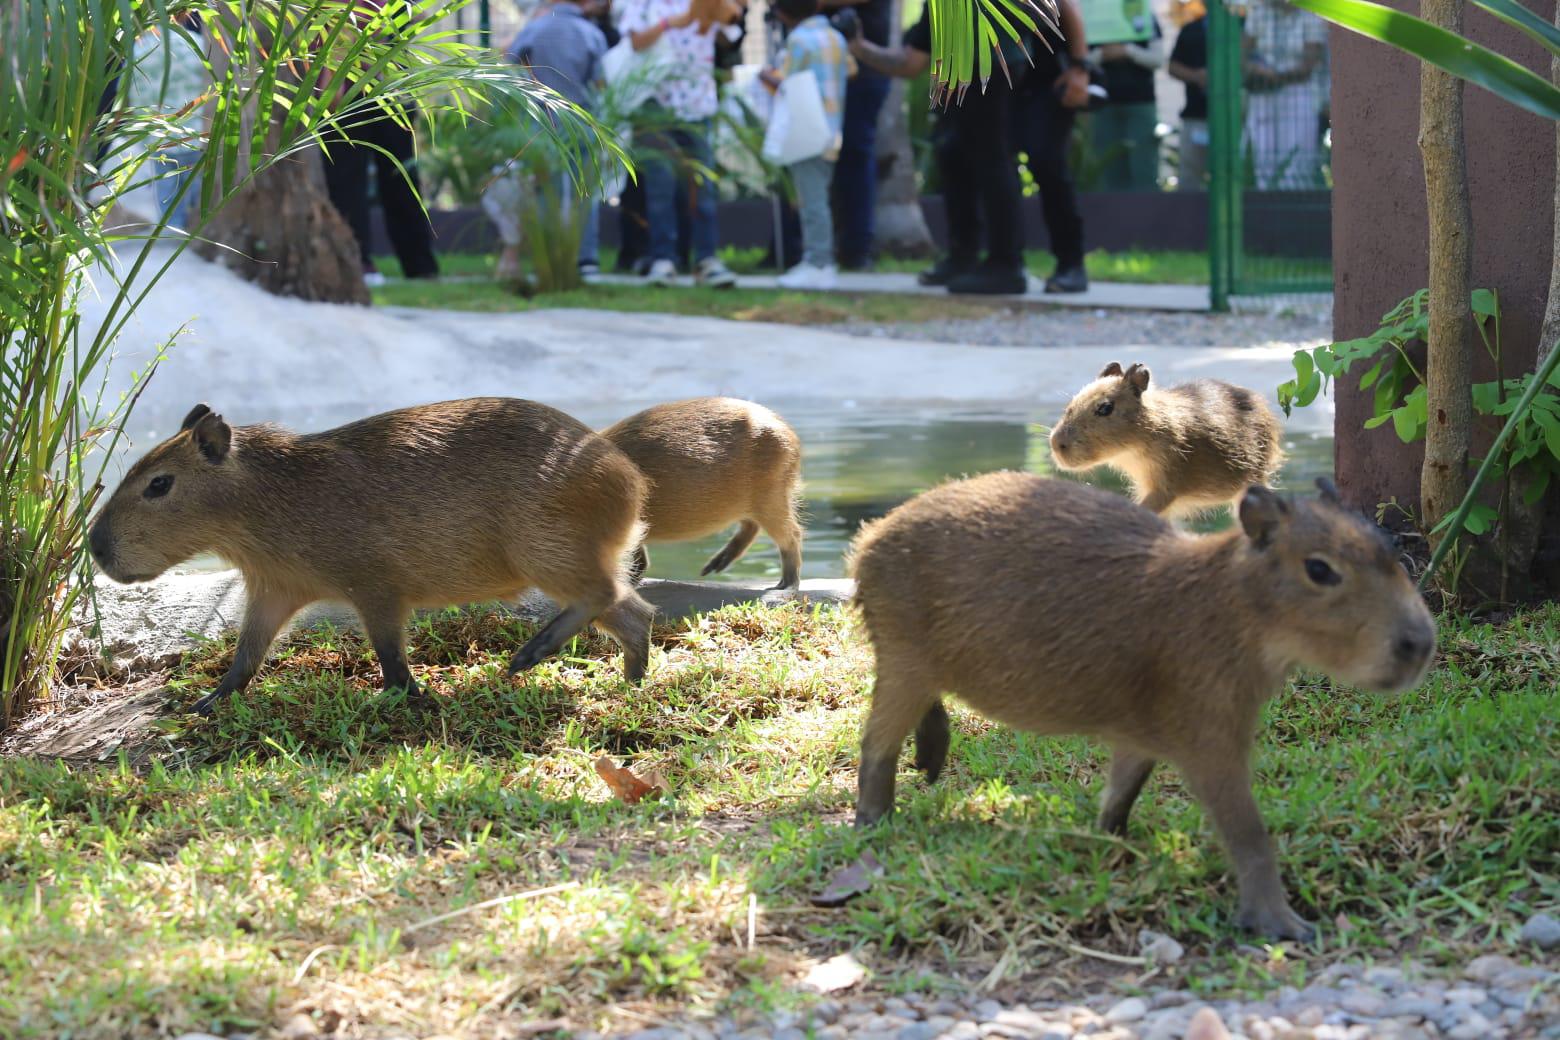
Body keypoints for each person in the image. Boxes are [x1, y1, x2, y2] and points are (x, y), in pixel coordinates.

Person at [849, 8, 1054, 294]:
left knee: (991, 160)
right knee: (953, 155)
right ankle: (964, 256)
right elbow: (910, 62)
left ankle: (1007, 264)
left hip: (990, 69)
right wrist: (858, 46)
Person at [616, 0, 741, 286]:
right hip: (655, 106)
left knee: (703, 188)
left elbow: (729, 33)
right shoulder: (644, 4)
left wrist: (722, 14)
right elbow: (635, 42)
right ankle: (663, 260)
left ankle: (707, 260)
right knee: (661, 188)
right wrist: (669, 24)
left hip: (698, 107)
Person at [501, 0, 610, 278]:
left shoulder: (534, 29)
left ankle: (546, 258)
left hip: (540, 124)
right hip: (582, 122)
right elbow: (600, 83)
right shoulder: (591, 33)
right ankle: (587, 261)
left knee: (545, 193)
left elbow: (508, 69)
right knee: (584, 192)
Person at [761, 0, 853, 288]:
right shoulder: (836, 36)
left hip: (806, 130)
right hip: (833, 126)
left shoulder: (798, 40)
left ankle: (819, 263)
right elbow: (851, 71)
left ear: (782, 13)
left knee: (812, 201)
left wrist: (765, 77)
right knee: (819, 197)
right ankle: (817, 260)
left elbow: (787, 82)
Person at [1011, 0, 1092, 293]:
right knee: (986, 162)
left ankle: (1071, 264)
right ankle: (1002, 261)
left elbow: (1068, 6)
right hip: (1001, 82)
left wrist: (1080, 68)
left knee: (1047, 162)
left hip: (1050, 81)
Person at [819, 0, 890, 268]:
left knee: (855, 154)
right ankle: (801, 248)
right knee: (807, 158)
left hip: (864, 69)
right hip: (819, 67)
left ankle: (856, 249)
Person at [1242, 0, 1326, 189]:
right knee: (1264, 157)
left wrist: (1277, 77)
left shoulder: (1310, 16)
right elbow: (1242, 53)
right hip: (1263, 94)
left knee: (1297, 159)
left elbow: (1309, 64)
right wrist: (1257, 70)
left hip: (1297, 93)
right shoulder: (1259, 13)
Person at [1088, 18, 1164, 191]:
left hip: (1140, 103)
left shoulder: (1145, 15)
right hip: (1103, 106)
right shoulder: (1092, 12)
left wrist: (1127, 51)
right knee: (1108, 170)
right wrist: (1103, 54)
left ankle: (1147, 216)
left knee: (1144, 167)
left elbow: (1158, 59)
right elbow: (1078, 58)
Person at [1168, 8, 1209, 190]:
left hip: (1232, 120)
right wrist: (1196, 76)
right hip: (1196, 116)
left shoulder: (1241, 27)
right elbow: (1173, 66)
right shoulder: (1191, 29)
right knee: (1190, 178)